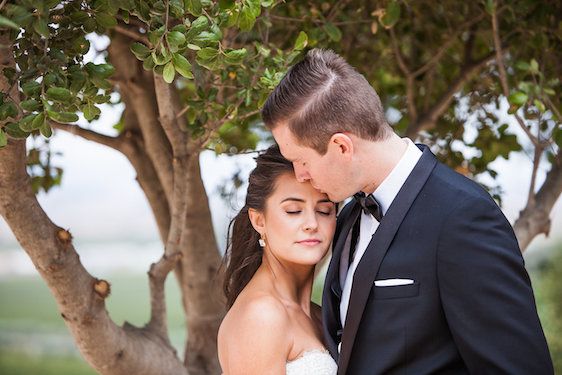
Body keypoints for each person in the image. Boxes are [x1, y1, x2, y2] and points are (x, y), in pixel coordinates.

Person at [262, 49, 553, 374]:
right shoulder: (348, 217)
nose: (301, 175)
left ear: (341, 147)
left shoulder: (462, 216)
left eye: (301, 161)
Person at [218, 144, 338, 374]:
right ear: (259, 221)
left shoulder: (318, 314)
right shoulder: (261, 316)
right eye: (293, 210)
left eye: (324, 211)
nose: (312, 224)